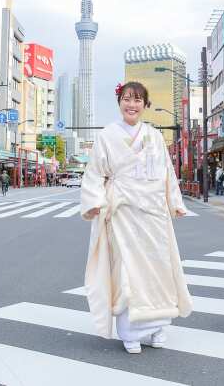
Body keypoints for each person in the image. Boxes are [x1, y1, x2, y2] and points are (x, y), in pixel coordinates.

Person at [81, 81, 192, 354]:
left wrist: (174, 202)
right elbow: (95, 171)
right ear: (119, 102)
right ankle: (130, 332)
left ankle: (156, 327)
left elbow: (167, 171)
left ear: (145, 105)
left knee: (158, 267)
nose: (132, 104)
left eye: (138, 100)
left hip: (154, 212)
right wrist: (95, 201)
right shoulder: (107, 135)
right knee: (126, 269)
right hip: (123, 211)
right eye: (127, 99)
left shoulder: (154, 136)